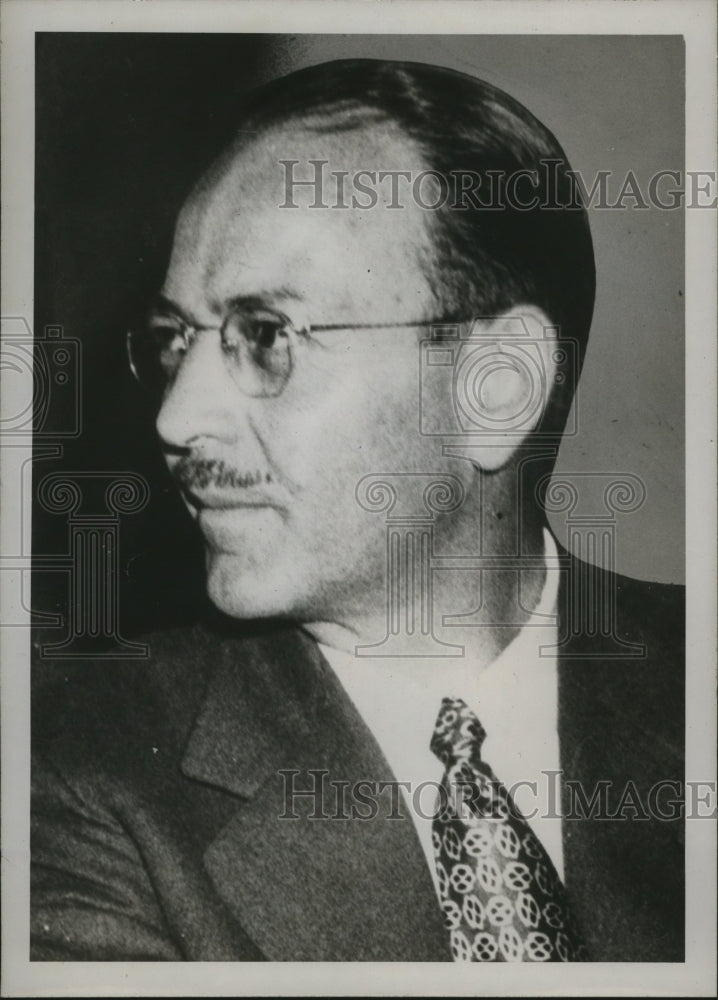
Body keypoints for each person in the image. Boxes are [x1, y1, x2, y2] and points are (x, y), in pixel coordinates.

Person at [31, 58, 684, 963]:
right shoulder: (67, 761)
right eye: (175, 342)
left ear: (497, 386)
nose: (177, 418)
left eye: (266, 336)